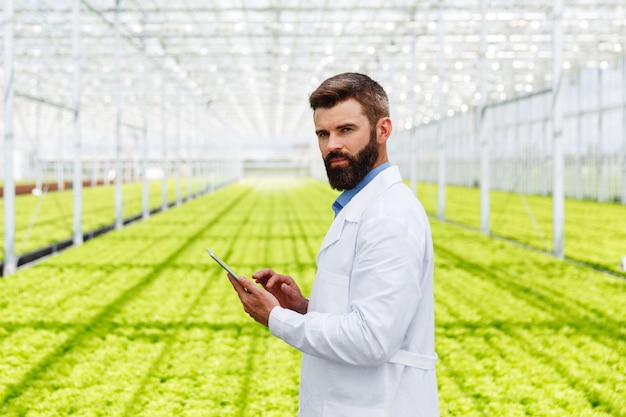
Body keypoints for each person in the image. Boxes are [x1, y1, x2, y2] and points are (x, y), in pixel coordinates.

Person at [228, 72, 439, 417]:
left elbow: (372, 339)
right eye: (323, 134)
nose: (331, 146)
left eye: (345, 130)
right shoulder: (361, 206)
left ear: (383, 130)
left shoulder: (389, 217)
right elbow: (363, 313)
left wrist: (277, 318)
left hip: (379, 405)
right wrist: (304, 308)